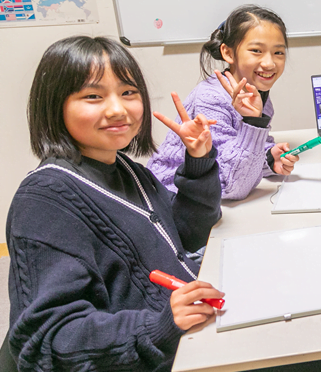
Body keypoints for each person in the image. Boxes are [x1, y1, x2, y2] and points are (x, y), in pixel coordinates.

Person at [5, 36, 225, 371]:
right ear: (55, 106)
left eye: (128, 93)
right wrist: (160, 325)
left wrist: (198, 160)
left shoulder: (127, 170)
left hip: (185, 337)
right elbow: (48, 341)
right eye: (93, 96)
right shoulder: (45, 201)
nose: (118, 109)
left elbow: (189, 234)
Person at [148, 4, 299, 201]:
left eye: (278, 52)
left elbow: (236, 154)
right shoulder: (211, 99)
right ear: (228, 53)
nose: (270, 63)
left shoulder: (257, 93)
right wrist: (254, 123)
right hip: (171, 196)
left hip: (212, 198)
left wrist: (269, 157)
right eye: (256, 50)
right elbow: (231, 185)